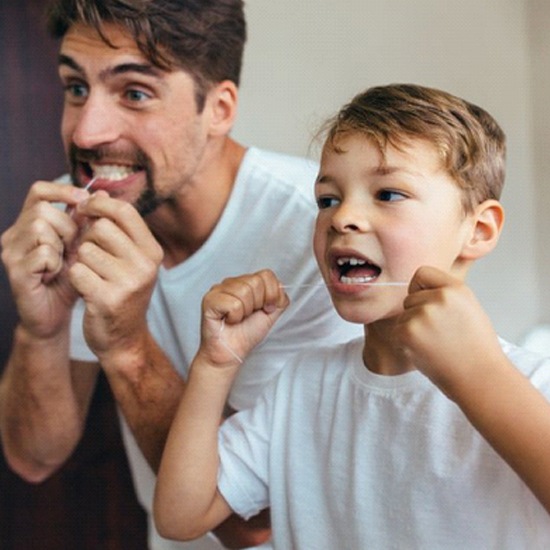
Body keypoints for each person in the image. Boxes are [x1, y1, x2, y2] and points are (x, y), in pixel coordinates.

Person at [0, 1, 360, 549]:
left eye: (134, 92)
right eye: (76, 88)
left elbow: (253, 521)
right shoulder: (76, 222)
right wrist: (41, 330)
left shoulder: (324, 236)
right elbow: (33, 455)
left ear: (218, 108)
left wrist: (126, 347)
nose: (88, 133)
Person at [153, 83, 550, 548]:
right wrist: (214, 366)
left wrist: (478, 375)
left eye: (388, 194)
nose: (343, 218)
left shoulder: (534, 384)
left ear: (478, 230)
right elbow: (180, 516)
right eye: (327, 199)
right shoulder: (301, 386)